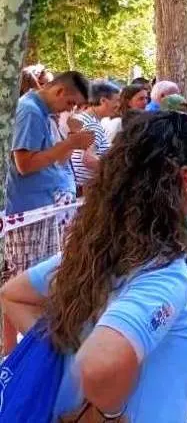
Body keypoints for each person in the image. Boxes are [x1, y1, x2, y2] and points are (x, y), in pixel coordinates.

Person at [0, 111, 187, 421]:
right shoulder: (163, 274)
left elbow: (12, 294)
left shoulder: (98, 253)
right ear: (185, 176)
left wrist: (67, 359)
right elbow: (100, 363)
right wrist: (107, 413)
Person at [3, 71, 92, 355]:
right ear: (58, 92)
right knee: (27, 285)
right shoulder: (29, 111)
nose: (71, 109)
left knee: (27, 281)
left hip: (43, 208)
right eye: (71, 103)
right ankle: (29, 352)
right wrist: (70, 144)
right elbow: (24, 164)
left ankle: (13, 348)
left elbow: (50, 158)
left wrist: (69, 139)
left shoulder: (43, 114)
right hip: (30, 211)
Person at [68, 81, 119, 195]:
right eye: (116, 101)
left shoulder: (79, 118)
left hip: (76, 187)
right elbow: (88, 159)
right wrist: (115, 170)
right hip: (86, 190)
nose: (118, 105)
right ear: (103, 101)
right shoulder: (93, 125)